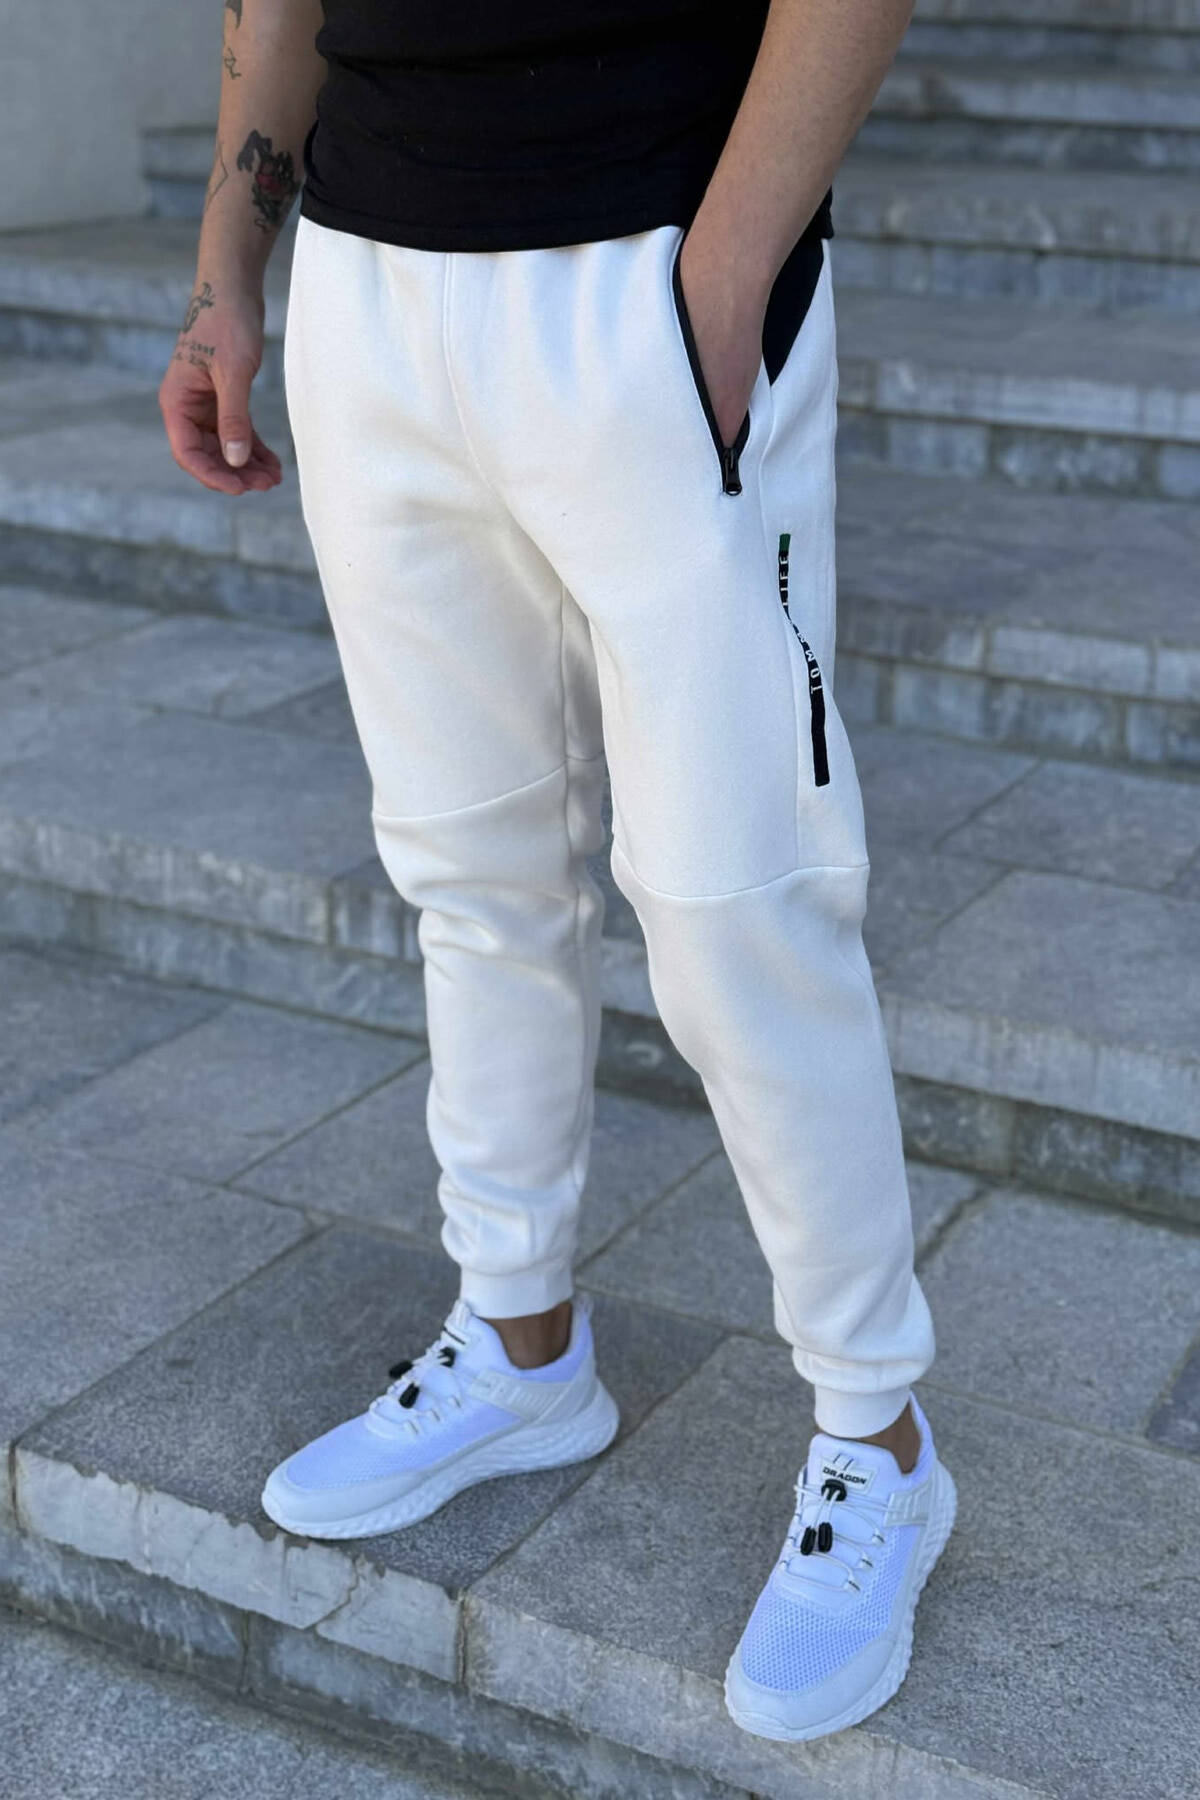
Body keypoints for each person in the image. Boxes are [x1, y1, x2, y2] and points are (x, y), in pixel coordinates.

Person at [160, 0, 955, 1744]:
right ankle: (520, 1344)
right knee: (470, 865)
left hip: (647, 259)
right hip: (371, 283)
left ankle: (878, 1436)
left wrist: (726, 279)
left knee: (737, 902)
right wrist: (234, 269)